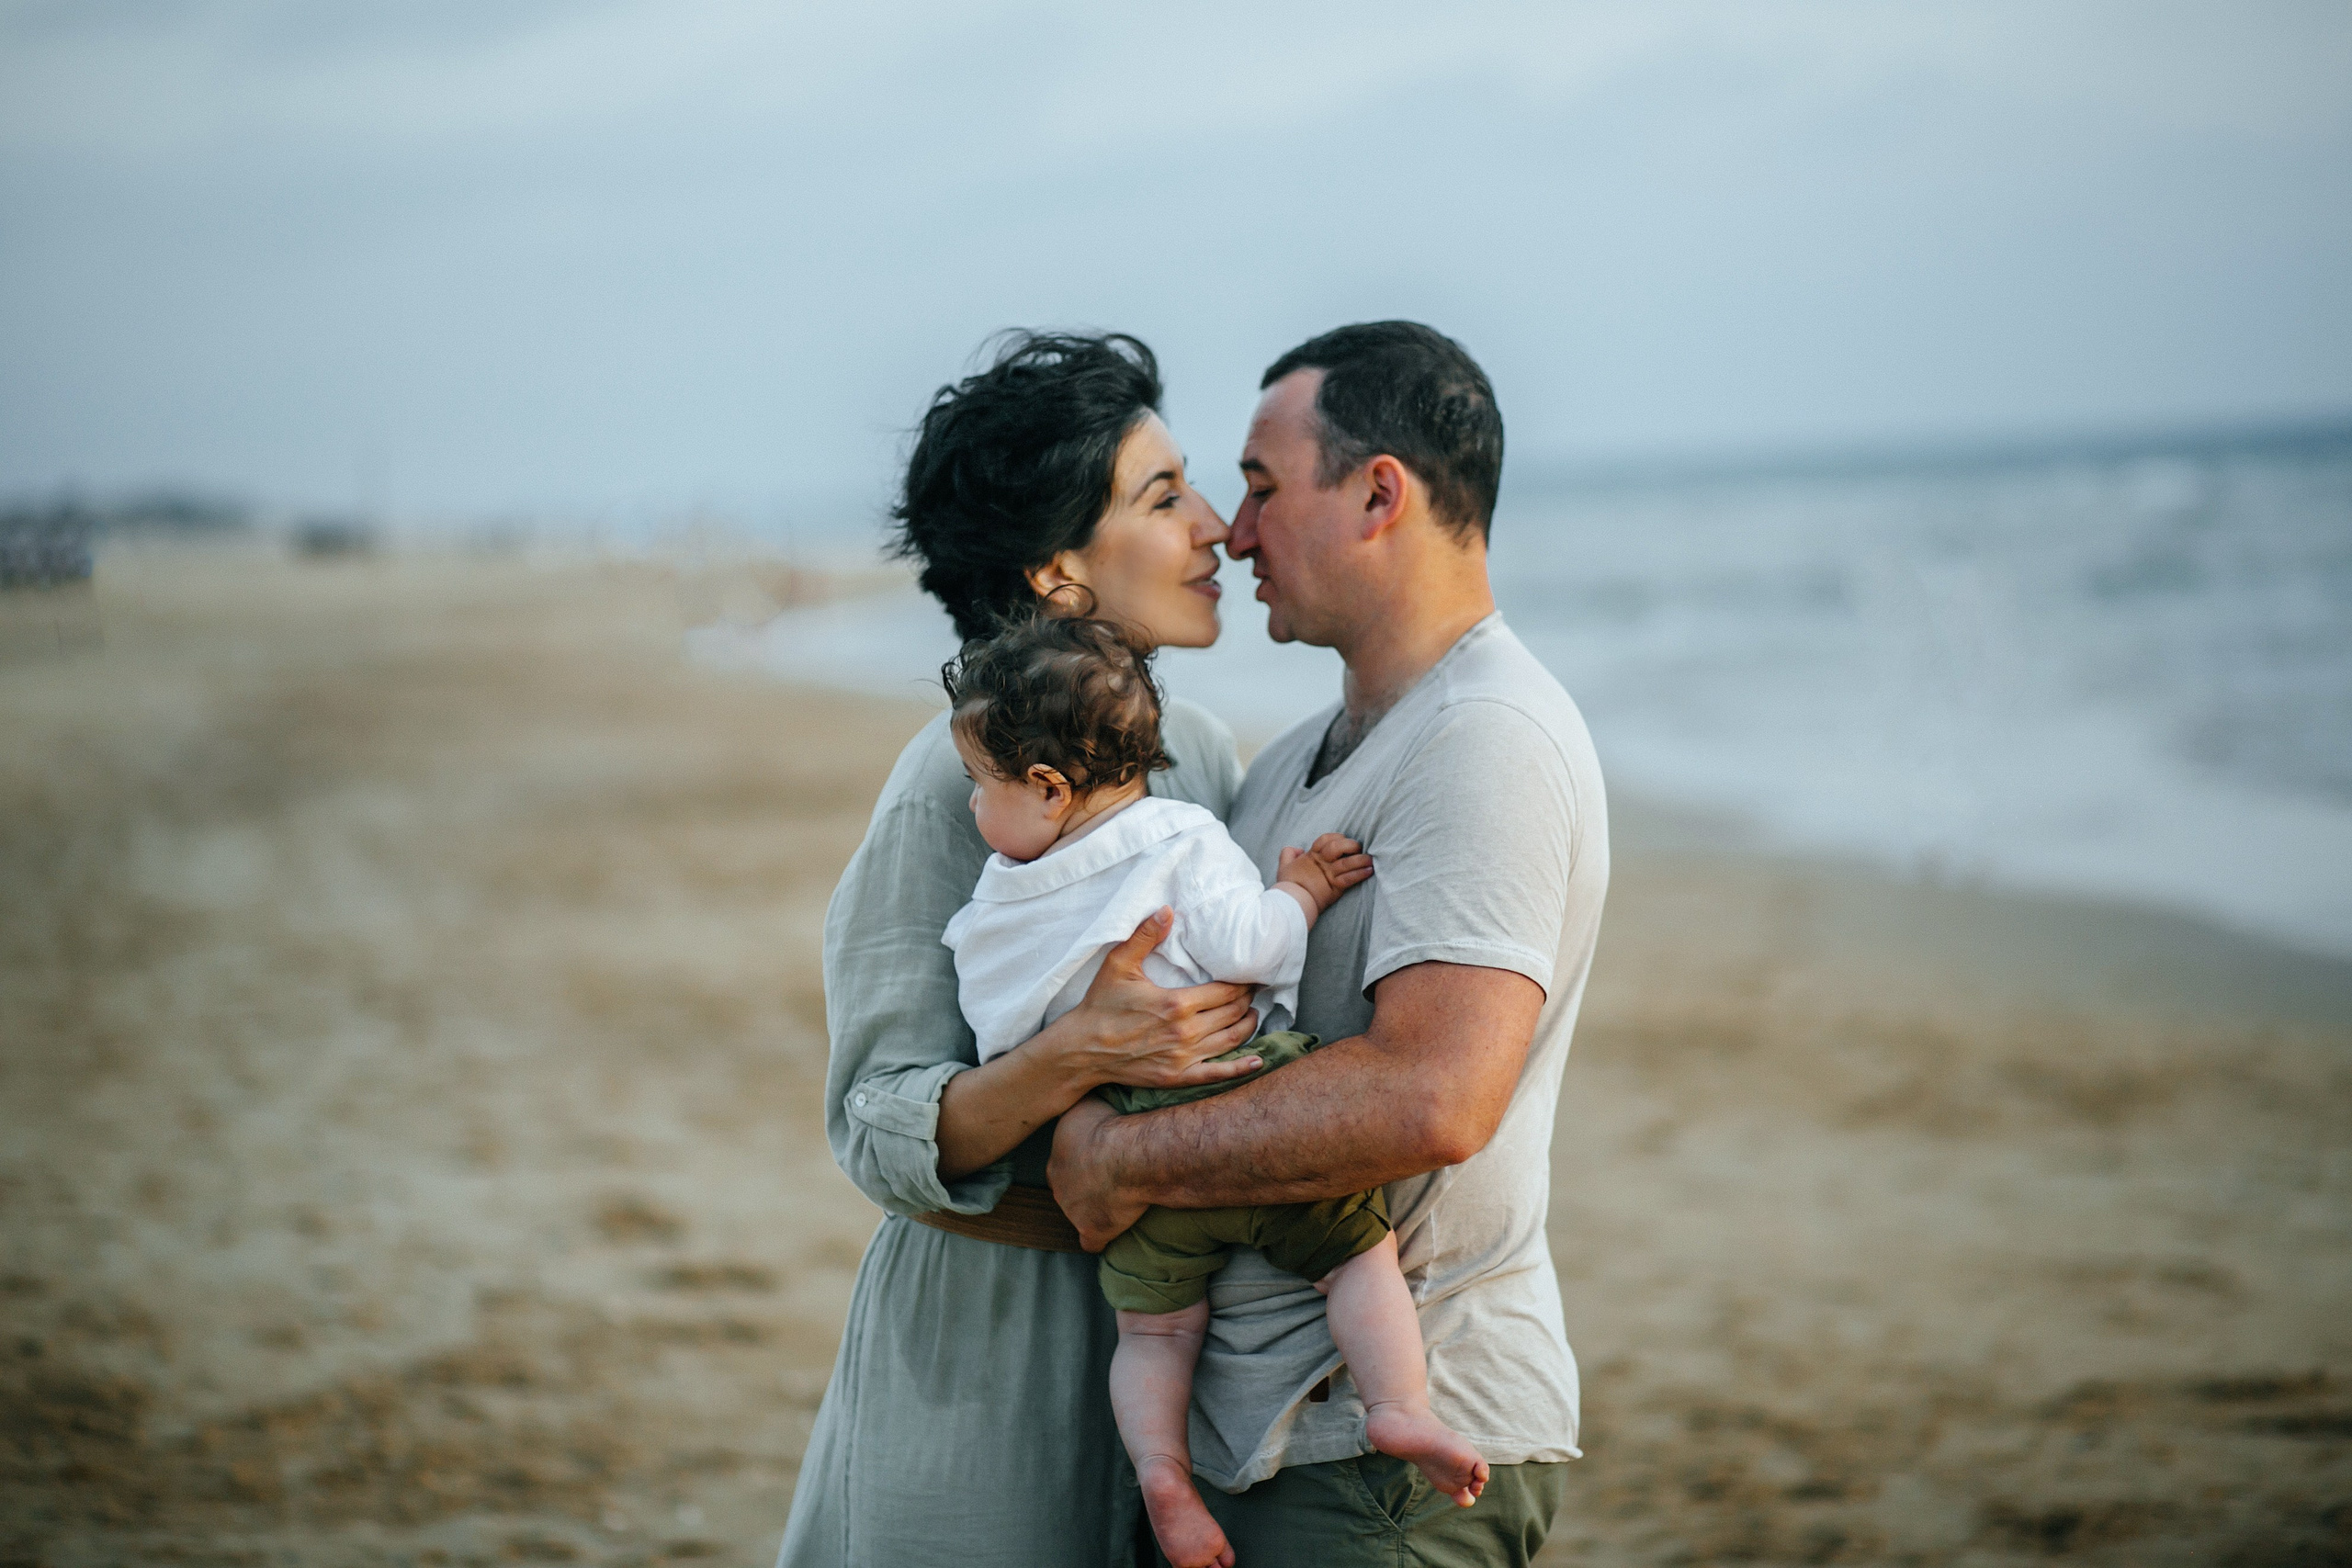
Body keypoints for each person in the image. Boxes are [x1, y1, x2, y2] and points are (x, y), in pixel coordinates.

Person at [1048, 321, 1610, 1565]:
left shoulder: (1488, 741)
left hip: (1385, 1465)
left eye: (1258, 488)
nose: (1231, 532)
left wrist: (1120, 1157)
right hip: (1253, 1445)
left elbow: (1435, 1092)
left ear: (1378, 492)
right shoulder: (1292, 763)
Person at [775, 332, 1269, 1567]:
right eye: (1164, 497)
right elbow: (878, 1122)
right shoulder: (953, 788)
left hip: (1166, 1320)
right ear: (1057, 571)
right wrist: (1079, 1052)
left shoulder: (1204, 755)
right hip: (980, 1351)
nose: (1214, 524)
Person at [934, 613, 1487, 1568]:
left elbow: (999, 1037)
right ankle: (1398, 1408)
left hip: (1135, 1172)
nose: (974, 809)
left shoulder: (997, 907)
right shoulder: (1183, 837)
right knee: (1358, 1262)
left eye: (980, 787)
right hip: (1248, 1106)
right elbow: (1254, 947)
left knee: (1151, 1333)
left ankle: (1161, 1472)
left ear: (1049, 789)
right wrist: (1304, 894)